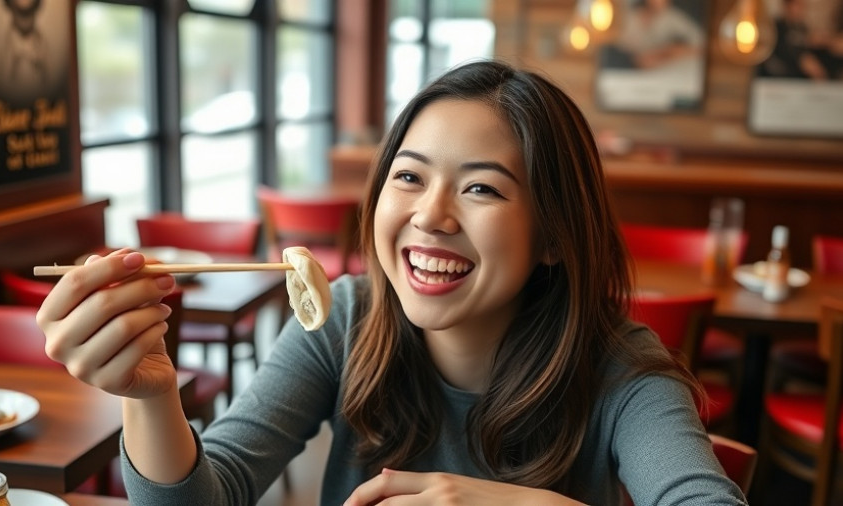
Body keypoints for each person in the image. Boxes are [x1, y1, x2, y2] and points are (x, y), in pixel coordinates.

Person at [36, 60, 747, 505]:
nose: (429, 216)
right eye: (408, 177)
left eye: (482, 190)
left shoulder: (623, 371)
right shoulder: (344, 321)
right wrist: (151, 394)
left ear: (556, 237)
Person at [602, 0, 705, 70]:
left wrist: (667, 53)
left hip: (658, 68)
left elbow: (700, 42)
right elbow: (609, 41)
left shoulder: (672, 17)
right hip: (622, 65)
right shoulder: (627, 15)